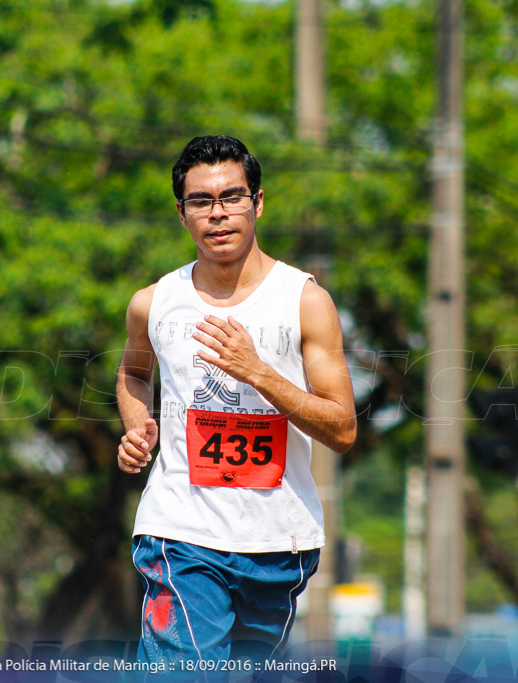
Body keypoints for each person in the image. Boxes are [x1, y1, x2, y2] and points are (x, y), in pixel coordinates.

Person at [116, 135, 357, 667]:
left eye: (232, 198)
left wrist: (258, 373)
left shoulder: (305, 301)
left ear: (258, 204)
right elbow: (134, 373)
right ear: (182, 213)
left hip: (278, 542)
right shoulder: (153, 302)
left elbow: (342, 429)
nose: (218, 214)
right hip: (180, 531)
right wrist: (138, 426)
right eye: (201, 201)